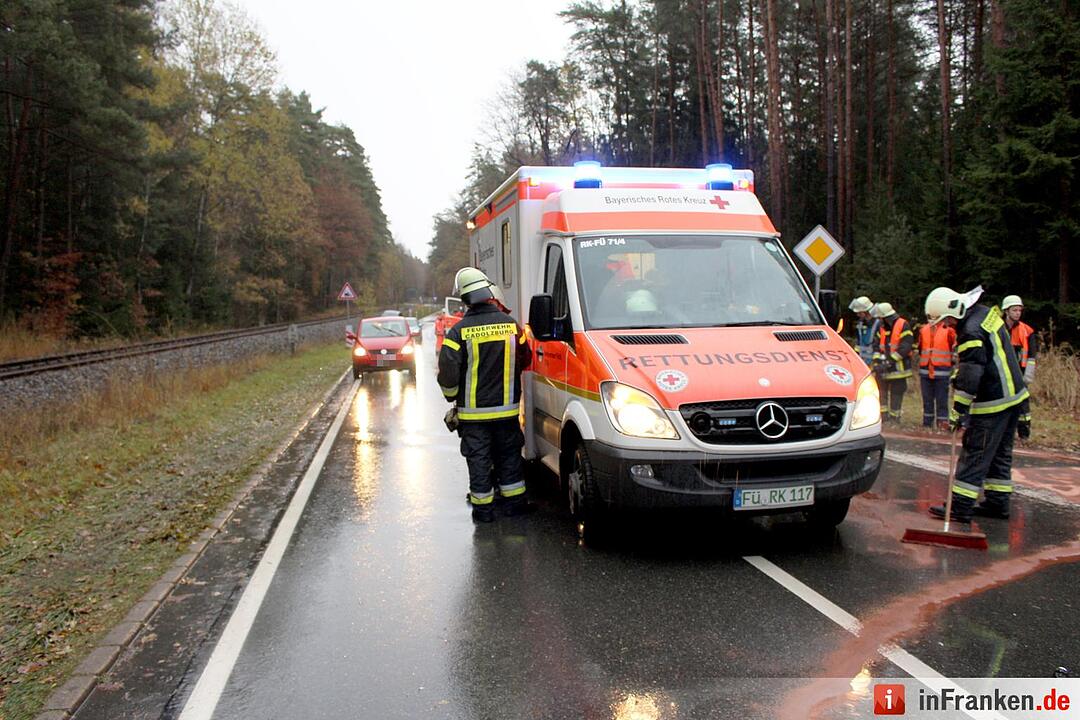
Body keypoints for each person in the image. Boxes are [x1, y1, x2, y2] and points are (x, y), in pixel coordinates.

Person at [924, 287, 1030, 521]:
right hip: (1014, 398)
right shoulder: (985, 314)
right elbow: (987, 361)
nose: (948, 326)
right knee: (1000, 455)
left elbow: (971, 377)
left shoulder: (970, 332)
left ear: (955, 310)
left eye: (947, 320)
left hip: (992, 403)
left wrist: (958, 411)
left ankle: (959, 506)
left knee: (976, 452)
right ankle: (997, 503)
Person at [438, 267, 533, 523]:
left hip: (473, 416)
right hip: (507, 412)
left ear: (465, 299)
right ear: (489, 293)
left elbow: (447, 374)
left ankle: (484, 511)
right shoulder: (512, 326)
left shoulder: (458, 332)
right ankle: (514, 506)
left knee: (479, 459)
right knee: (509, 455)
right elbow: (527, 359)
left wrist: (452, 397)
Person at [871, 302, 914, 422]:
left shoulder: (903, 325)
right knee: (881, 392)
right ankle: (883, 417)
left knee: (897, 393)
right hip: (882, 369)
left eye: (880, 318)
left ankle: (895, 418)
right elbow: (876, 346)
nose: (879, 320)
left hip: (898, 370)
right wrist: (877, 362)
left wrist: (889, 362)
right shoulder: (882, 327)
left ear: (886, 317)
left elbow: (905, 346)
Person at [916, 314, 956, 430]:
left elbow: (953, 348)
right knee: (927, 399)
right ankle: (927, 423)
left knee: (942, 399)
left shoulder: (949, 331)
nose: (932, 320)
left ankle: (942, 424)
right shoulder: (923, 330)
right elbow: (920, 348)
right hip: (925, 371)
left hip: (942, 371)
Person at [1002, 295, 1039, 385]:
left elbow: (1031, 355)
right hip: (1000, 371)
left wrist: (1028, 375)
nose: (1018, 313)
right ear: (1006, 311)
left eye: (1020, 310)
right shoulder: (997, 328)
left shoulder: (1027, 330)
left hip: (1019, 372)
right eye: (1015, 310)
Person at [849, 296, 878, 364]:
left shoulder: (878, 324)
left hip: (875, 362)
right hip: (863, 362)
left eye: (859, 312)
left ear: (866, 311)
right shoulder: (861, 323)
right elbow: (859, 343)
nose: (857, 315)